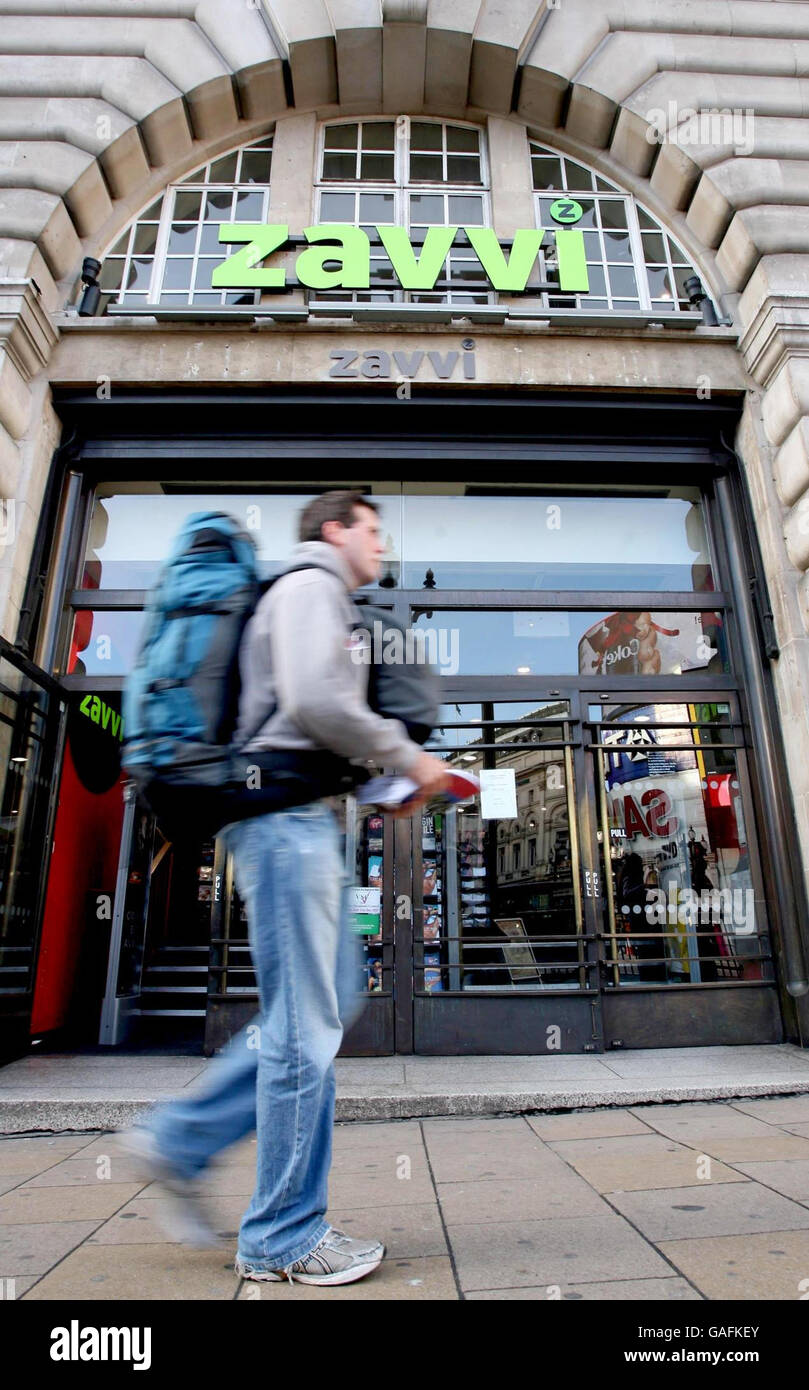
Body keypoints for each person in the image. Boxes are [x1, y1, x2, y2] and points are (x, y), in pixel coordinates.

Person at [117, 490, 450, 1286]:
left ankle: (180, 1139)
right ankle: (282, 1236)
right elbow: (313, 701)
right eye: (372, 530)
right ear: (334, 529)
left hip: (293, 817)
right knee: (306, 1027)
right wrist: (409, 759)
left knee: (326, 1001)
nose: (381, 545)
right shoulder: (310, 587)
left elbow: (308, 721)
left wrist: (377, 781)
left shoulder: (312, 594)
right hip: (279, 823)